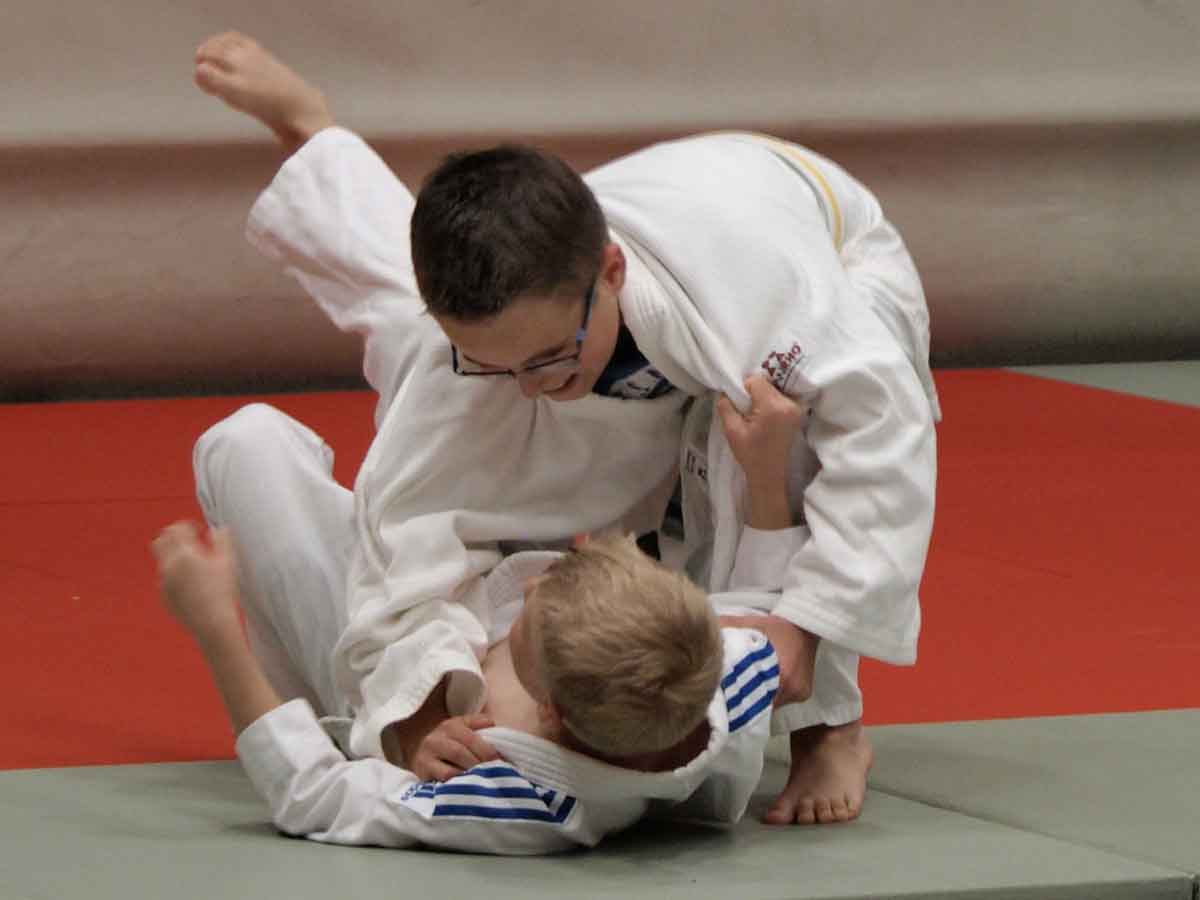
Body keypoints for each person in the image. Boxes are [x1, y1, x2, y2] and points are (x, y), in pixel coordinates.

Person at [192, 30, 940, 826]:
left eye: (547, 358)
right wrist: (414, 716)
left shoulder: (766, 300)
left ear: (610, 273)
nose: (527, 388)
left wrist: (808, 625)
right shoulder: (463, 343)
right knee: (408, 345)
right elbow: (405, 524)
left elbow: (884, 434)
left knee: (780, 425)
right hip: (631, 237)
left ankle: (833, 730)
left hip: (818, 231)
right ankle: (320, 137)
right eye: (495, 364)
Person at [152, 378, 804, 853]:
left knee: (244, 444)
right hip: (471, 574)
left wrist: (215, 629)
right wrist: (767, 470)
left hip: (381, 671)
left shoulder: (522, 801)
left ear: (548, 714)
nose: (546, 574)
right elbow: (769, 615)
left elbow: (312, 797)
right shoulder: (713, 670)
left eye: (533, 617)